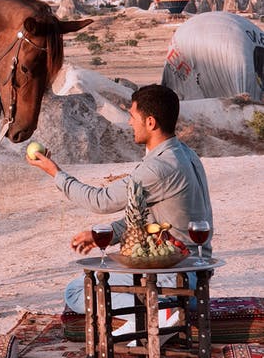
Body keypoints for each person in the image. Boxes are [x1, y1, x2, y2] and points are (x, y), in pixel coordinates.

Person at [26, 83, 213, 327]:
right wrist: (108, 234)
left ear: (150, 122)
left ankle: (160, 312)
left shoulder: (158, 168)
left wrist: (56, 173)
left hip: (173, 276)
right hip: (195, 271)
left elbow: (100, 200)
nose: (129, 122)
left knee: (76, 291)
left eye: (132, 116)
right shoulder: (185, 153)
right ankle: (160, 312)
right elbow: (147, 218)